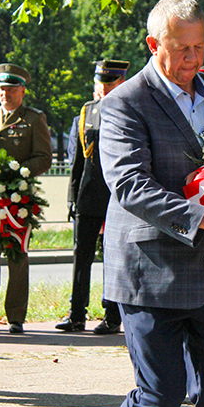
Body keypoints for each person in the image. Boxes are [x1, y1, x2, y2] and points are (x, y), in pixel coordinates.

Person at [98, 0, 204, 407]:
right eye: (181, 47)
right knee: (160, 393)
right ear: (152, 43)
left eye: (200, 47)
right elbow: (130, 186)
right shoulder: (124, 102)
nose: (193, 58)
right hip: (152, 274)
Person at [0, 63, 52, 334]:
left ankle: (16, 316)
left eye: (10, 89)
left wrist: (17, 175)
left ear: (22, 91)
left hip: (17, 200)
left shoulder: (33, 119)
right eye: (1, 88)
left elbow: (44, 157)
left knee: (16, 257)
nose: (4, 93)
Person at [56, 59, 129, 335]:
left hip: (116, 196)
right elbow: (77, 160)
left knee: (112, 257)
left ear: (121, 82)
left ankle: (112, 315)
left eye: (109, 82)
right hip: (89, 194)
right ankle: (77, 313)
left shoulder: (129, 109)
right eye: (100, 82)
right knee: (81, 255)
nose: (104, 87)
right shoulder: (88, 111)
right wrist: (72, 197)